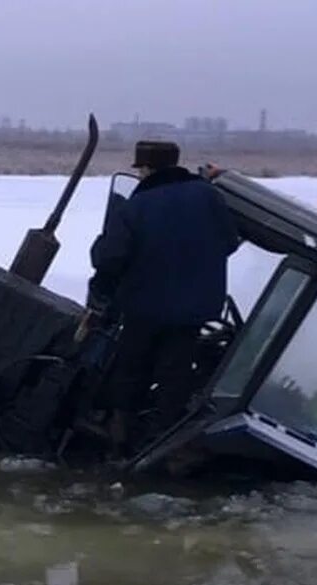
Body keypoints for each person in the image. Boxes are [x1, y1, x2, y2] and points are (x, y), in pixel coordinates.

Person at [85, 140, 242, 457]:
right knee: (176, 374)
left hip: (144, 306)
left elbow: (110, 258)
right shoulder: (209, 196)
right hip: (193, 309)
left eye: (140, 169)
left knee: (131, 369)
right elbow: (229, 241)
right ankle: (166, 444)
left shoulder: (136, 207)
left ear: (146, 170)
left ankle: (120, 437)